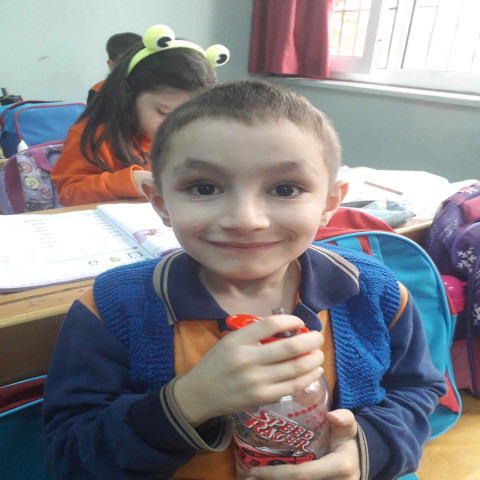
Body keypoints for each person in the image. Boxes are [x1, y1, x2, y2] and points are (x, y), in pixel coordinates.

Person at [42, 80, 446, 480]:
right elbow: (70, 455)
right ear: (160, 201)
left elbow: (416, 392)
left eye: (285, 189)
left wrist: (367, 450)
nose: (245, 220)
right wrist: (186, 403)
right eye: (204, 188)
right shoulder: (113, 307)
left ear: (329, 203)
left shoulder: (372, 291)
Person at [51, 24, 228, 206]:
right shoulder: (95, 137)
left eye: (190, 116)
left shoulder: (192, 135)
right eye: (164, 112)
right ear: (129, 96)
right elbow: (68, 192)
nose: (176, 125)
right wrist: (132, 181)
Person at [87, 32, 142, 105]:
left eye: (140, 61)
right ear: (111, 65)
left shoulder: (151, 89)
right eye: (127, 63)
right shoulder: (97, 91)